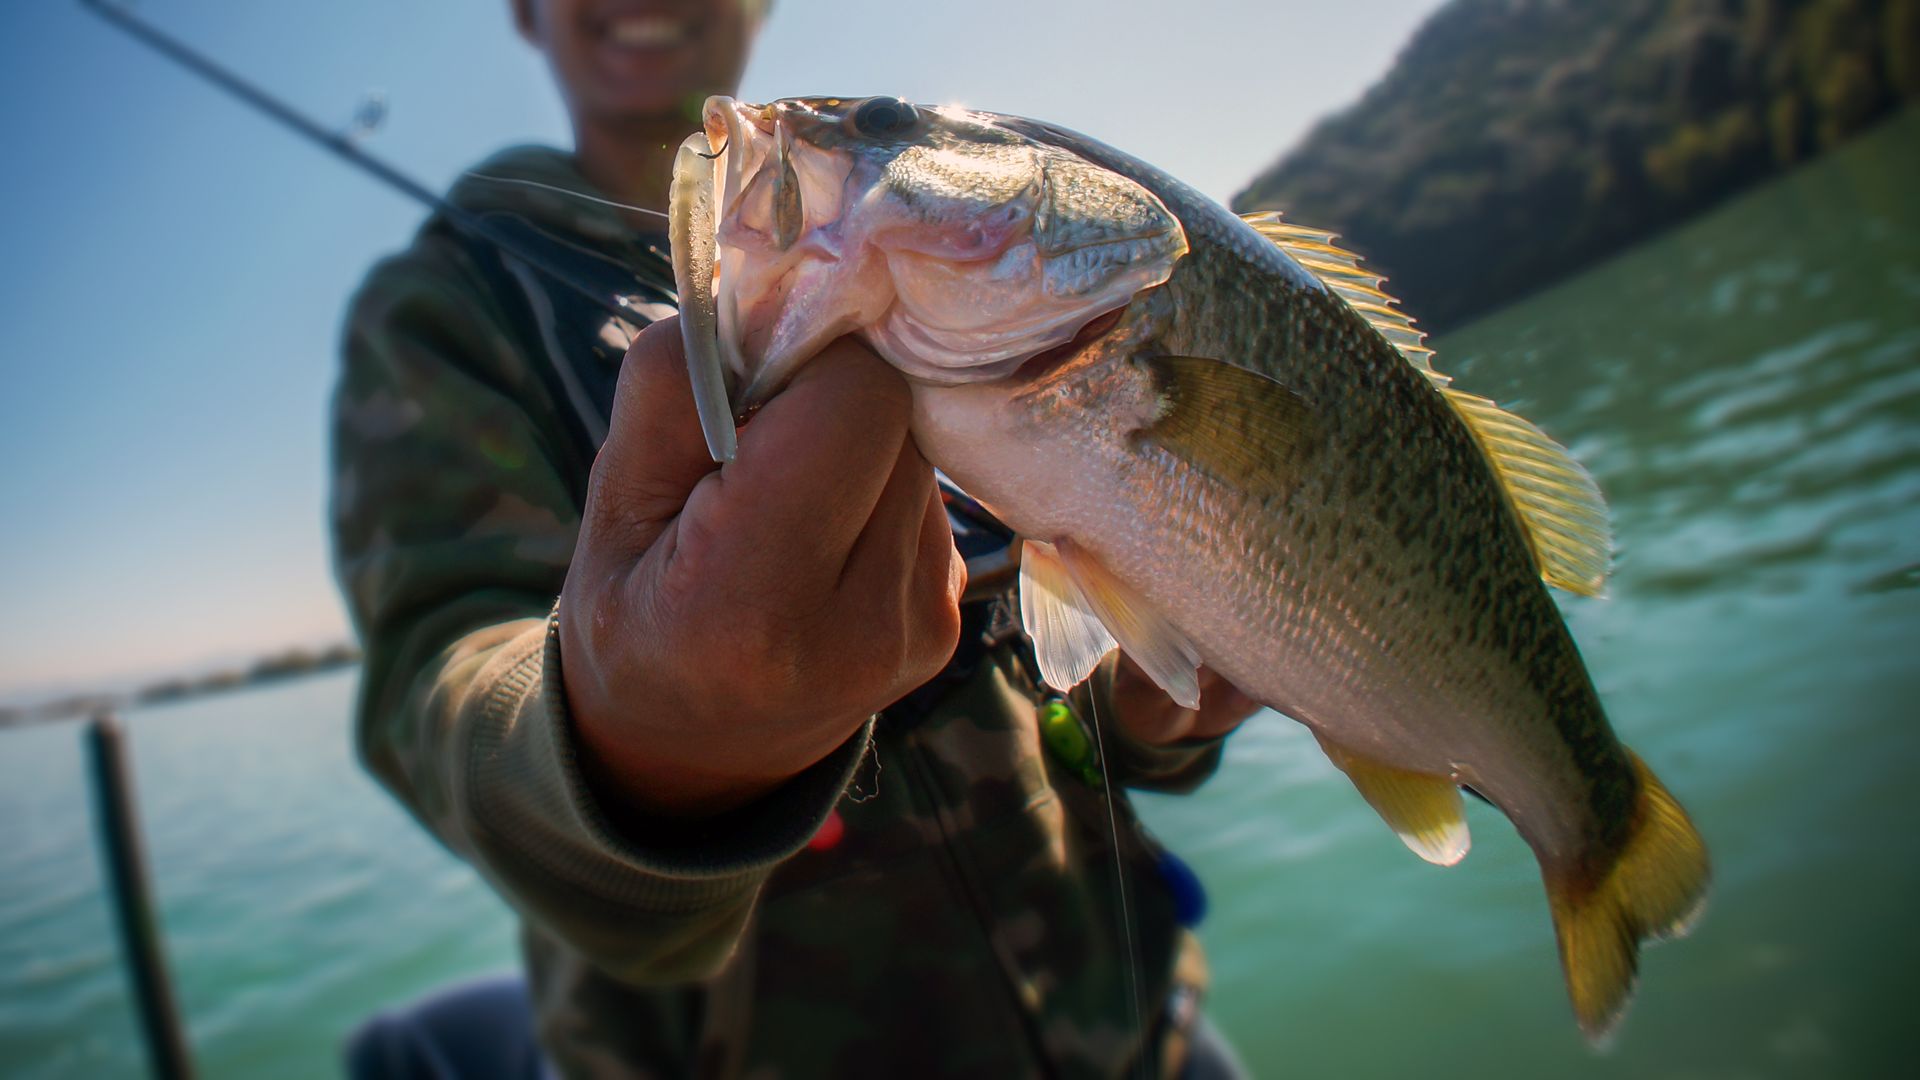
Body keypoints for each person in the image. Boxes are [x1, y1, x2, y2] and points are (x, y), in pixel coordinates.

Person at [332, 1, 1257, 1075]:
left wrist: (1157, 715)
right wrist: (645, 750)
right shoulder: (445, 311)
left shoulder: (959, 273)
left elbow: (1058, 660)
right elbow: (430, 683)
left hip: (1126, 1022)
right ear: (528, 15)